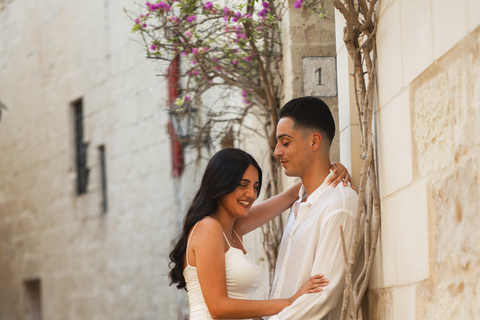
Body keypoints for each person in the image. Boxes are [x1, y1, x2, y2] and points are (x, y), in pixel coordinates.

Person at [168, 148, 352, 320]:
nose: (251, 194)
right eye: (243, 185)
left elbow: (289, 197)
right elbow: (218, 307)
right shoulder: (208, 228)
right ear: (221, 183)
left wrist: (331, 172)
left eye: (255, 186)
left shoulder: (233, 227)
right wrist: (289, 302)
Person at [268, 96, 362, 320]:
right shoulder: (299, 204)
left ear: (314, 141)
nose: (277, 151)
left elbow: (322, 297)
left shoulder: (339, 206)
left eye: (285, 142)